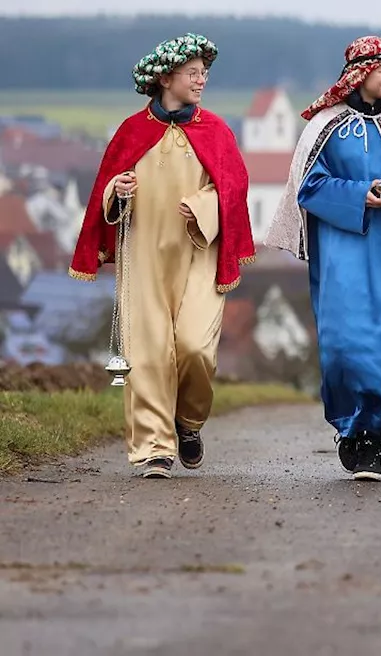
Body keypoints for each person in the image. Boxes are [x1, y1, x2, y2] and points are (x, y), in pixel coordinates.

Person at [68, 33, 255, 479]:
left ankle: (187, 422)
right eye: (193, 72)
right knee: (148, 354)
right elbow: (104, 196)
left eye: (205, 72)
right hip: (144, 257)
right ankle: (154, 447)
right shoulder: (131, 132)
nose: (202, 79)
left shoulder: (216, 130)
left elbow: (233, 189)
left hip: (198, 255)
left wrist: (204, 206)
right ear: (166, 78)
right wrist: (118, 191)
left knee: (194, 348)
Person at [263, 36, 381, 482]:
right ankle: (350, 425)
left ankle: (372, 438)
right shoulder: (326, 124)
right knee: (345, 343)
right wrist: (359, 195)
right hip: (344, 248)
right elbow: (309, 187)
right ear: (361, 73)